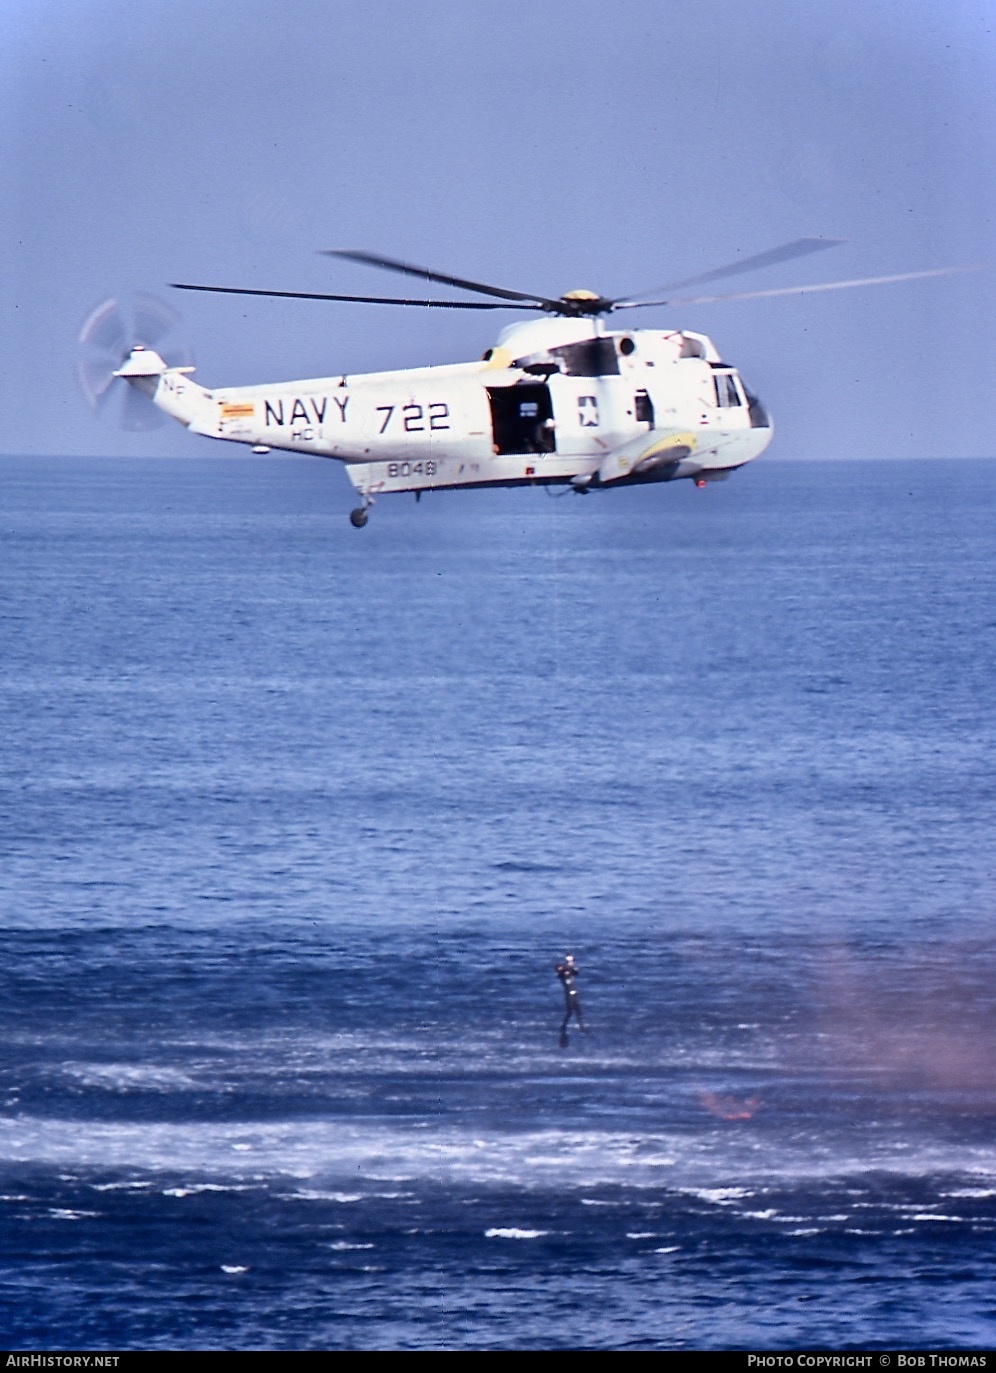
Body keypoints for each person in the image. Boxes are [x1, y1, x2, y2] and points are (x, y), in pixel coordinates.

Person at [555, 953, 585, 1046]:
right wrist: (569, 963)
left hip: (574, 992)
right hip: (569, 994)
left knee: (578, 1011)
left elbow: (575, 971)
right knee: (570, 1011)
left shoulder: (569, 972)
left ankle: (581, 1026)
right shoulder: (562, 975)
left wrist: (570, 962)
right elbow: (565, 970)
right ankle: (563, 1026)